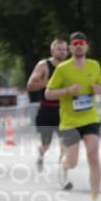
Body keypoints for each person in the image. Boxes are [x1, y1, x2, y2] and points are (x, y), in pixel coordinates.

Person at [44, 32, 101, 201]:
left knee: (93, 156)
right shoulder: (62, 69)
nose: (79, 46)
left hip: (90, 118)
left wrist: (98, 89)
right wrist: (67, 90)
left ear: (86, 46)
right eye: (75, 43)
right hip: (70, 122)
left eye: (81, 43)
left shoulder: (94, 65)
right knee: (72, 162)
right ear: (71, 47)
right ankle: (63, 167)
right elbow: (48, 93)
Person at [26, 38, 68, 173]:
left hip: (64, 110)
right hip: (47, 110)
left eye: (64, 49)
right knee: (46, 143)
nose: (62, 52)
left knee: (65, 141)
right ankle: (41, 154)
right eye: (59, 49)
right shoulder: (43, 65)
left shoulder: (70, 66)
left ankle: (62, 169)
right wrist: (49, 82)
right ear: (52, 51)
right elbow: (30, 86)